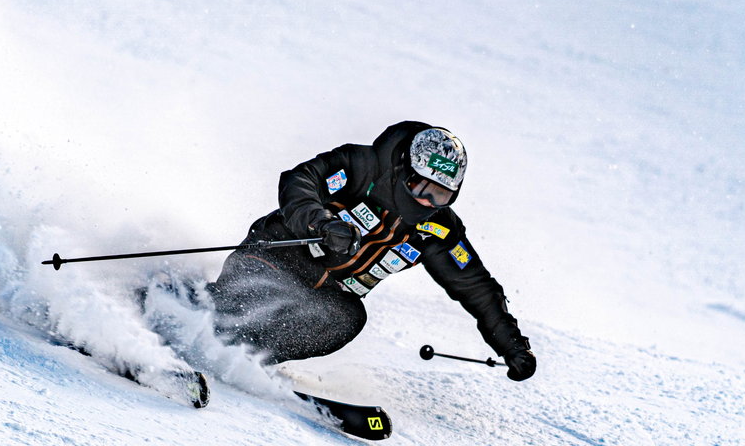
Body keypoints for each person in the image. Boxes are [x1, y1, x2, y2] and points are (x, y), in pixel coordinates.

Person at [206, 120, 536, 381]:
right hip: (274, 258)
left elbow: (476, 286)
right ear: (405, 170)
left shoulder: (437, 229)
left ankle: (247, 357)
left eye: (441, 195)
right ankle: (191, 312)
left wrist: (512, 346)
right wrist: (321, 223)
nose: (427, 202)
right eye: (422, 188)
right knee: (246, 302)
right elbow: (301, 180)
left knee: (348, 318)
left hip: (323, 295)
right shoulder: (362, 168)